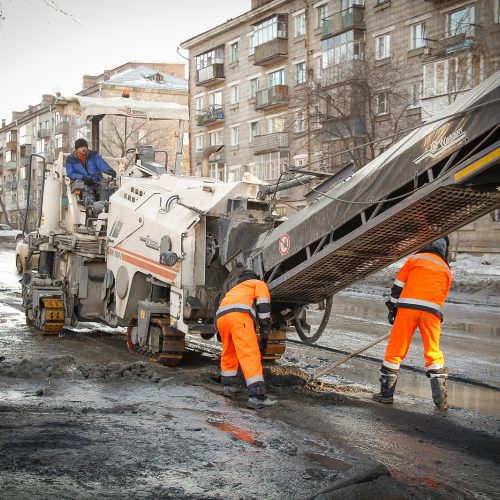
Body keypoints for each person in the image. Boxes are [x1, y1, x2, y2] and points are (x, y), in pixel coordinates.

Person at [373, 238, 452, 410]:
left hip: (407, 309)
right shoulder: (446, 268)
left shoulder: (415, 259)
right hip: (432, 312)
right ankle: (441, 400)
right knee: (433, 351)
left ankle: (386, 395)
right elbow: (443, 295)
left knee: (396, 349)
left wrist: (393, 308)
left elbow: (398, 285)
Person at [216, 269, 277, 409]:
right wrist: (265, 326)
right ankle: (257, 396)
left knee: (229, 351)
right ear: (253, 277)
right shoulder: (257, 283)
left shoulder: (234, 290)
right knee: (249, 353)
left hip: (221, 319)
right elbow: (263, 305)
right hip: (239, 317)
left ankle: (228, 388)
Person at [65, 138, 116, 215]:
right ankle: (93, 211)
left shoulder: (93, 155)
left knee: (106, 187)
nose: (84, 148)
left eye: (85, 146)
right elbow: (70, 174)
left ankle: (105, 209)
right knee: (86, 190)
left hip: (95, 179)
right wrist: (82, 178)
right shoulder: (71, 159)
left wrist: (109, 170)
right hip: (82, 182)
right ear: (77, 149)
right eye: (81, 147)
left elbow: (101, 164)